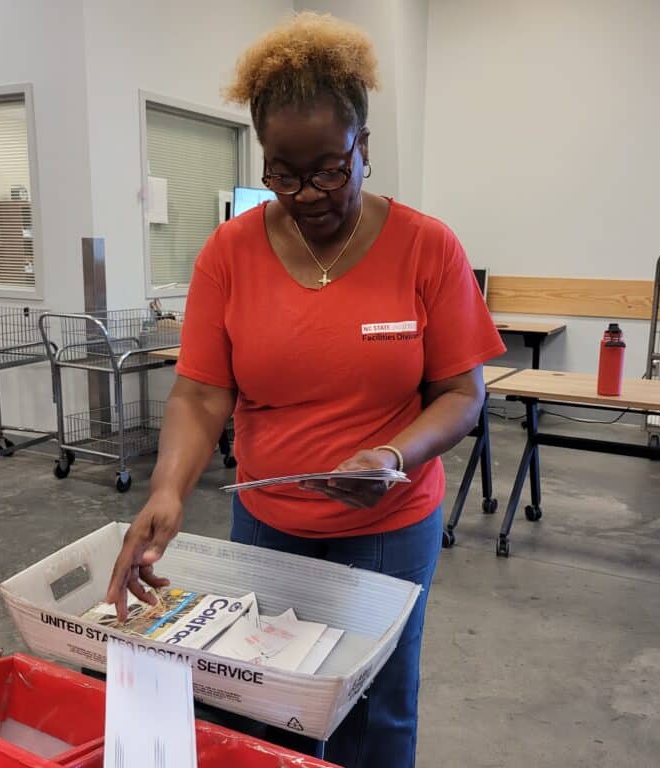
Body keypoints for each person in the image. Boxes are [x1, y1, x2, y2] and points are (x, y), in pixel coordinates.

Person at [106, 12, 505, 768]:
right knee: (267, 702)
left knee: (376, 710)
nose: (307, 194)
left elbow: (461, 393)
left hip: (389, 525)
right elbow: (199, 395)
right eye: (283, 174)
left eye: (329, 169)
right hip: (268, 520)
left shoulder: (427, 247)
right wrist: (167, 492)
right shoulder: (230, 254)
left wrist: (393, 452)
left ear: (364, 148)